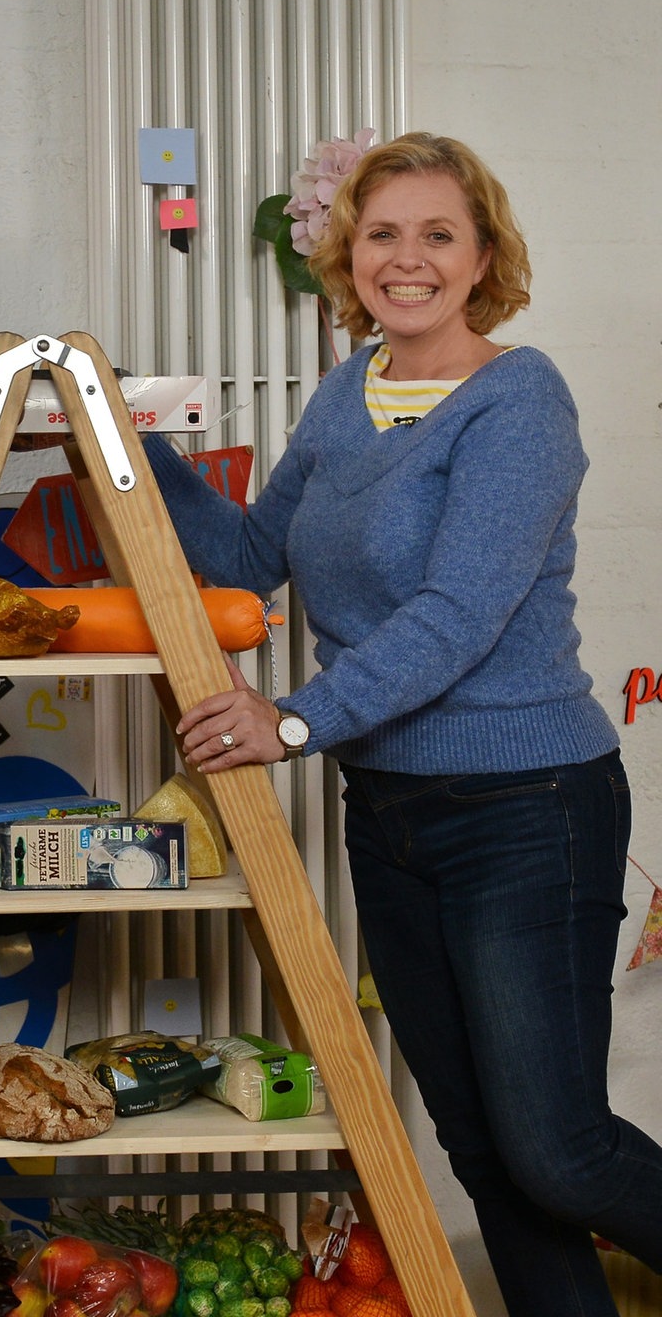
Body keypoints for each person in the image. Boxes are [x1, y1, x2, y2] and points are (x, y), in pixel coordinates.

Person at [146, 132, 662, 1315]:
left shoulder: (519, 402)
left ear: (484, 257)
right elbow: (249, 555)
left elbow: (458, 615)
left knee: (560, 1151)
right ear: (348, 254)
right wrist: (130, 446)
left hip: (527, 810)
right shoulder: (347, 394)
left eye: (439, 233)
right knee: (484, 1152)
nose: (408, 258)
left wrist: (292, 722)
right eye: (382, 233)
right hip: (387, 814)